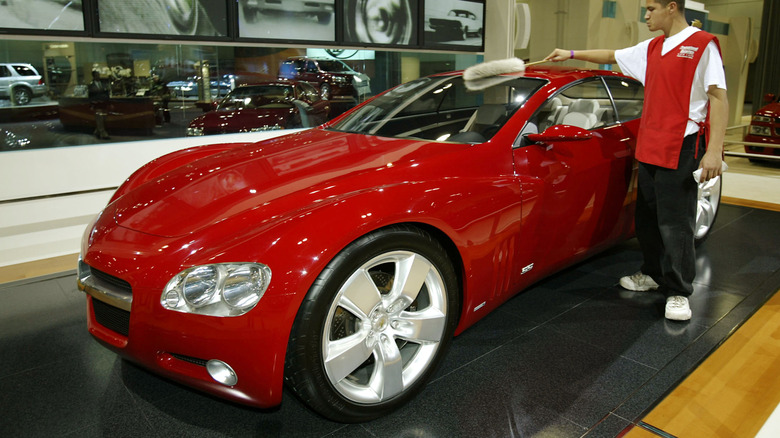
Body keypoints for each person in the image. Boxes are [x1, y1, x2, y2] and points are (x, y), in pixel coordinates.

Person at [544, 0, 728, 321]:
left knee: (675, 224)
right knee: (646, 219)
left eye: (651, 9)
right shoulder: (653, 47)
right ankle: (653, 273)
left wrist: (714, 150)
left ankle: (679, 291)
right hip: (650, 145)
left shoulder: (702, 46)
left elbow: (718, 97)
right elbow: (612, 55)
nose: (646, 16)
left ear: (672, 7)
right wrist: (570, 54)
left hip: (681, 146)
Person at [88, 70, 110, 139]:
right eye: (97, 75)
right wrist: (91, 105)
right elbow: (90, 96)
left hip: (103, 104)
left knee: (103, 119)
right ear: (94, 76)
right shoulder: (91, 86)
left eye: (98, 75)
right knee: (99, 119)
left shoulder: (103, 84)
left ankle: (97, 131)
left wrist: (108, 102)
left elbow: (106, 94)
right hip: (97, 104)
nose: (98, 76)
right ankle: (103, 133)